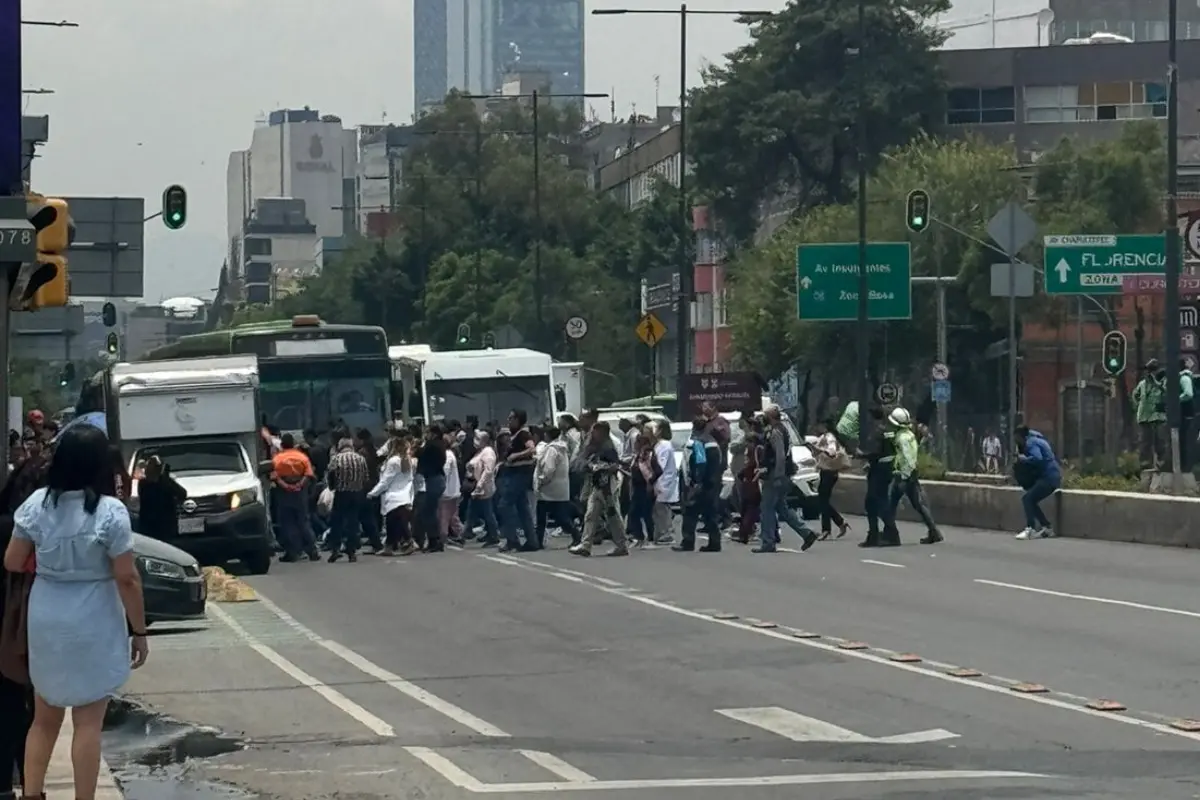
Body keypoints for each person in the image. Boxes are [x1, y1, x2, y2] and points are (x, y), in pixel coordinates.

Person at [2, 425, 148, 800]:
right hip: (94, 614)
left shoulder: (36, 505)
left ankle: (32, 794)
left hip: (48, 611)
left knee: (44, 718)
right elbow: (127, 578)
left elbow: (13, 560)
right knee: (87, 723)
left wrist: (53, 562)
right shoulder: (110, 512)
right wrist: (139, 630)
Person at [755, 405, 818, 554]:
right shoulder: (779, 429)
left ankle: (768, 542)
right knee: (782, 508)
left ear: (771, 416)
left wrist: (777, 475)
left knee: (767, 508)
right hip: (779, 475)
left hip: (775, 476)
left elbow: (780, 456)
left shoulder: (776, 432)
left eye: (766, 415)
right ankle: (807, 533)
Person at [568, 422, 627, 557]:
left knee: (613, 516)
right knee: (590, 515)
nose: (592, 434)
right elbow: (583, 463)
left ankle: (621, 545)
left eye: (595, 431)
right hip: (597, 485)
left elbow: (613, 466)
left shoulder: (608, 448)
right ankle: (586, 544)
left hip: (607, 485)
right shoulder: (595, 447)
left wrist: (602, 468)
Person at [887, 408, 942, 545]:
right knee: (918, 505)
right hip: (911, 474)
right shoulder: (909, 435)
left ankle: (890, 534)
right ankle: (934, 531)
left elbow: (906, 457)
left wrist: (903, 476)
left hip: (904, 475)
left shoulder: (902, 438)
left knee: (890, 504)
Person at [674, 417, 723, 553]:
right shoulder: (712, 441)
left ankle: (688, 542)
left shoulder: (697, 441)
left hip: (699, 484)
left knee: (690, 513)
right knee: (710, 514)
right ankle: (715, 542)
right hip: (712, 483)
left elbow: (700, 463)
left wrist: (696, 482)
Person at [270, 433, 321, 563]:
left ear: (282, 445)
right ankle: (312, 551)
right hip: (300, 493)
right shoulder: (302, 457)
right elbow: (309, 474)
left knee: (288, 523)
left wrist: (286, 486)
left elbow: (274, 476)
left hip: (284, 493)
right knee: (303, 520)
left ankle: (293, 552)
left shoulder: (277, 459)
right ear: (293, 444)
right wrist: (299, 485)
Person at [858, 405, 899, 548]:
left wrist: (861, 455)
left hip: (879, 469)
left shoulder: (877, 431)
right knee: (880, 501)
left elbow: (875, 452)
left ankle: (879, 535)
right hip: (887, 468)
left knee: (873, 502)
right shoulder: (889, 430)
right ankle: (885, 533)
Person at [368, 435, 415, 556]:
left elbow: (385, 481)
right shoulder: (407, 459)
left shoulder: (393, 461)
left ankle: (406, 542)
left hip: (393, 496)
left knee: (392, 523)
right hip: (404, 495)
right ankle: (392, 546)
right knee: (395, 522)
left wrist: (372, 493)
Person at [325, 438, 371, 562]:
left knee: (337, 522)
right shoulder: (360, 458)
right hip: (356, 493)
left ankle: (335, 549)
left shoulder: (337, 458)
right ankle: (351, 551)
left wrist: (332, 486)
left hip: (342, 493)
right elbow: (366, 477)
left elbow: (330, 474)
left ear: (340, 446)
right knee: (353, 522)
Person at [499, 410, 537, 552]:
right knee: (522, 507)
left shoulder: (523, 434)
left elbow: (532, 449)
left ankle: (512, 539)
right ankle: (531, 541)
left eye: (511, 418)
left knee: (504, 505)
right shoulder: (514, 435)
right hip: (513, 473)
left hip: (519, 474)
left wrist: (515, 456)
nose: (508, 421)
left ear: (518, 419)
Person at [1014, 425, 1061, 540]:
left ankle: (1031, 529)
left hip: (1048, 478)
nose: (1016, 441)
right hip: (1053, 476)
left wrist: (1023, 459)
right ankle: (1047, 528)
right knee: (1031, 500)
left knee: (1027, 499)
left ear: (1021, 436)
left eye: (1017, 438)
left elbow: (1038, 458)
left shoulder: (1031, 443)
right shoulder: (1039, 439)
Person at [534, 426, 577, 549]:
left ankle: (576, 535)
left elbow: (549, 468)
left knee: (548, 516)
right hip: (559, 489)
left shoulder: (552, 450)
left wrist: (541, 480)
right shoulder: (562, 449)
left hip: (549, 489)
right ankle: (539, 539)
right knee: (558, 515)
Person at [812, 417, 850, 540]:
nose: (817, 428)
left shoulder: (829, 437)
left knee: (822, 501)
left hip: (829, 472)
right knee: (823, 501)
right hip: (826, 472)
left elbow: (832, 452)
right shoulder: (824, 437)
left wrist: (819, 449)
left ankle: (827, 529)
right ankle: (839, 522)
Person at [134, 455, 187, 539]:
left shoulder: (165, 482)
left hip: (165, 526)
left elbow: (182, 494)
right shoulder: (145, 484)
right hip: (151, 526)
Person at [414, 425, 448, 553]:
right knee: (429, 511)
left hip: (434, 480)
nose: (425, 435)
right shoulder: (439, 444)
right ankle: (434, 540)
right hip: (436, 480)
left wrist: (419, 445)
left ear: (433, 434)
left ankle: (435, 541)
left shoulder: (432, 445)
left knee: (428, 511)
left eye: (427, 432)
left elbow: (419, 453)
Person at [626, 433, 661, 547]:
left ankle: (651, 539)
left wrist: (650, 481)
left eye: (638, 442)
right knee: (634, 514)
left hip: (646, 489)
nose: (635, 444)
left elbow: (658, 470)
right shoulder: (638, 455)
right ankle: (639, 537)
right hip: (637, 488)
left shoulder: (648, 455)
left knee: (647, 514)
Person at [1132, 360, 1166, 470]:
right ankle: (1145, 462)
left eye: (1151, 371)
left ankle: (1162, 461)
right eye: (1147, 371)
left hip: (1157, 416)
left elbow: (1167, 394)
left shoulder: (1162, 382)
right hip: (1144, 416)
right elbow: (1135, 395)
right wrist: (1139, 405)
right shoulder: (1142, 384)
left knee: (1159, 440)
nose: (1149, 373)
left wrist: (1157, 384)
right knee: (1145, 441)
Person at [439, 434, 466, 548]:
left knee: (444, 516)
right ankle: (462, 534)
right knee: (453, 517)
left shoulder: (447, 455)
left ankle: (443, 537)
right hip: (452, 491)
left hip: (447, 492)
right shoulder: (450, 454)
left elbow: (445, 471)